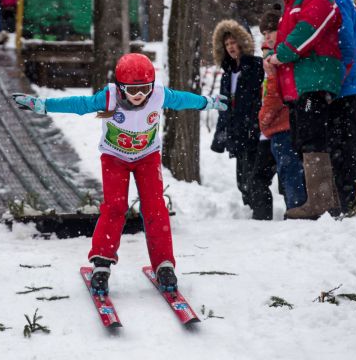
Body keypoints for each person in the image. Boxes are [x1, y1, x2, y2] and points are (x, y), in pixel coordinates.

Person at [12, 53, 227, 293]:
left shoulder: (158, 95)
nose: (140, 96)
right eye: (133, 90)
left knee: (155, 207)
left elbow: (183, 100)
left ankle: (164, 264)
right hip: (115, 159)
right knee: (115, 208)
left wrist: (207, 102)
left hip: (147, 158)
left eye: (145, 89)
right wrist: (44, 106)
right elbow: (79, 105)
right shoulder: (109, 97)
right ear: (121, 87)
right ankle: (102, 264)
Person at [263, 0, 342, 220]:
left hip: (315, 79)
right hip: (301, 82)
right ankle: (319, 201)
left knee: (313, 139)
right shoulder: (296, 0)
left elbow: (308, 30)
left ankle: (320, 203)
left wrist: (281, 54)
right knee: (305, 139)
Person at [311, 0, 356, 214]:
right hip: (334, 85)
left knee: (345, 146)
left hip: (342, 87)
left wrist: (333, 83)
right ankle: (343, 203)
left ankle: (350, 203)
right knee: (337, 146)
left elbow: (346, 48)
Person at [209, 20, 269, 218]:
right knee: (242, 181)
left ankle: (262, 217)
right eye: (227, 44)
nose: (231, 47)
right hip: (237, 135)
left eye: (234, 42)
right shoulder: (227, 74)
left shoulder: (256, 66)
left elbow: (263, 98)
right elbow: (223, 107)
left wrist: (258, 124)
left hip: (255, 131)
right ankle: (252, 214)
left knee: (255, 180)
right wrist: (220, 136)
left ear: (243, 42)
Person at [258, 6, 307, 214]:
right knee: (288, 172)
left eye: (270, 31)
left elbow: (273, 96)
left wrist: (263, 119)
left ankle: (295, 211)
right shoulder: (274, 57)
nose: (267, 37)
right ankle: (295, 208)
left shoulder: (278, 59)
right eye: (263, 34)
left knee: (290, 172)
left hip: (283, 125)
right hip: (283, 126)